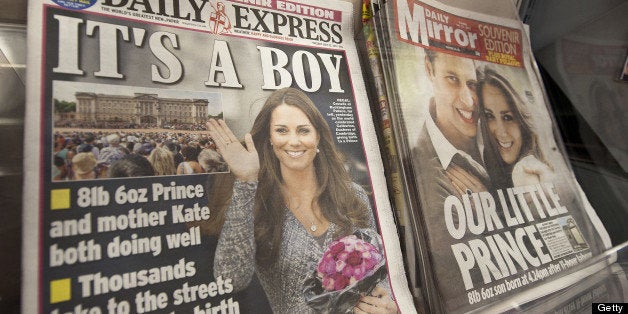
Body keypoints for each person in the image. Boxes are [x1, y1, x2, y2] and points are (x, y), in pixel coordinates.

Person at [209, 88, 396, 313]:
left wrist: (385, 301)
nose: (294, 141)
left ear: (317, 136)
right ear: (269, 138)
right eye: (281, 131)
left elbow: (378, 269)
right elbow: (230, 278)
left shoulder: (352, 195)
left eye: (303, 130)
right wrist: (246, 181)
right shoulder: (257, 204)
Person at [477, 68, 554, 189]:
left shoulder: (525, 171)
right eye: (489, 116)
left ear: (522, 120)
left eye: (508, 117)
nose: (501, 132)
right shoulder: (486, 159)